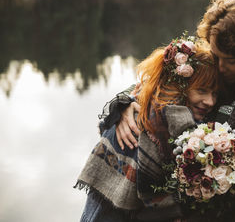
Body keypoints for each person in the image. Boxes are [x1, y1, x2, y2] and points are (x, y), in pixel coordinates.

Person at [104, 0, 235, 221]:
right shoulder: (215, 68)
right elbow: (158, 84)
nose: (220, 67)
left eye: (231, 61)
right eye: (216, 56)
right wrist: (126, 104)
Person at [75, 35, 219, 222]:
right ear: (180, 86)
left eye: (215, 94)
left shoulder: (161, 109)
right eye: (201, 90)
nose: (210, 101)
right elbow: (149, 187)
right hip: (108, 210)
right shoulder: (147, 118)